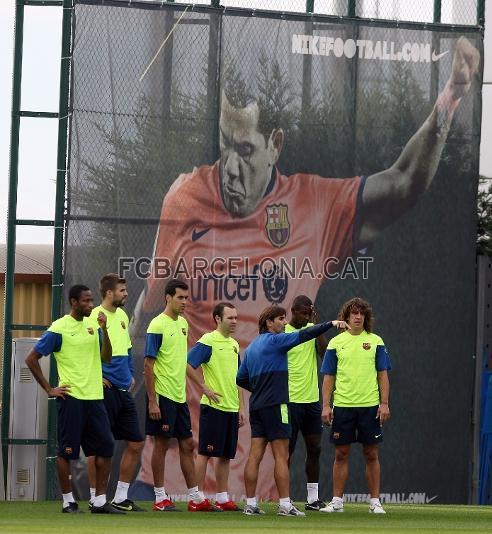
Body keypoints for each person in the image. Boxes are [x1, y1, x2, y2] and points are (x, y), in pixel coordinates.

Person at [132, 36, 479, 499]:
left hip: (262, 430)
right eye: (224, 147)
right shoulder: (186, 196)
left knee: (292, 454)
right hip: (180, 469)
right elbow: (146, 317)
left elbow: (402, 181)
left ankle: (286, 501)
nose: (230, 168)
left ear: (275, 144)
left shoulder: (316, 204)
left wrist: (451, 94)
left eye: (246, 150)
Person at [236, 305, 348, 516]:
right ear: (269, 323)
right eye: (280, 319)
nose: (284, 323)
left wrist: (259, 388)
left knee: (255, 455)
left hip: (257, 406)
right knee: (281, 455)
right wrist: (330, 324)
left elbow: (240, 378)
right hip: (277, 405)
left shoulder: (251, 348)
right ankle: (285, 505)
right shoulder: (276, 341)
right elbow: (305, 334)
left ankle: (250, 504)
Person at [25, 285, 123, 514]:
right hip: (71, 399)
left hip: (95, 398)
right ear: (73, 302)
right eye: (86, 301)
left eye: (91, 301)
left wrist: (104, 330)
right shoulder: (59, 328)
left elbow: (106, 357)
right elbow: (31, 358)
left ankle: (99, 501)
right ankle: (67, 501)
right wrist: (49, 388)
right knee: (66, 452)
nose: (91, 305)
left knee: (106, 447)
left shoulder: (93, 325)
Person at [144, 279, 217, 512]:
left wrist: (202, 386)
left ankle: (195, 498)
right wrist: (152, 401)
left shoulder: (183, 324)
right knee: (162, 445)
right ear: (168, 297)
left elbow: (183, 361)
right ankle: (159, 498)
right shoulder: (157, 325)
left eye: (186, 298)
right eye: (180, 298)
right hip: (163, 395)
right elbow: (148, 364)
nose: (184, 302)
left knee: (187, 444)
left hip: (179, 396)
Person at [319, 297, 391, 514]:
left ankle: (375, 502)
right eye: (354, 313)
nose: (358, 317)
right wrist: (326, 406)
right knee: (341, 454)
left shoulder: (376, 341)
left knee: (371, 454)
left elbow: (383, 375)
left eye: (362, 313)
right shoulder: (335, 343)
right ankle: (337, 502)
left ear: (366, 317)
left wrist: (384, 403)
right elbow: (328, 377)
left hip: (370, 407)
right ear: (346, 316)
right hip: (343, 407)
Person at [87, 274, 145, 512]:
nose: (127, 293)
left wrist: (131, 373)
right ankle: (94, 497)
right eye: (122, 290)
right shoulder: (92, 317)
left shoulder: (121, 315)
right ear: (109, 293)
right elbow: (84, 352)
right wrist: (96, 377)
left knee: (136, 443)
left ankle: (120, 497)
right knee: (101, 445)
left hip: (124, 390)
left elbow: (128, 348)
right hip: (104, 390)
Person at [187, 302, 246, 511]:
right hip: (213, 408)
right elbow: (188, 364)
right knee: (205, 452)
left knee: (225, 455)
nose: (234, 322)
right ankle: (196, 498)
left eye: (236, 318)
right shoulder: (208, 340)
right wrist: (204, 387)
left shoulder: (234, 344)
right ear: (218, 319)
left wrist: (241, 407)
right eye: (230, 318)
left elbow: (238, 379)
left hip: (231, 408)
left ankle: (222, 498)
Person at [285, 295, 327, 511]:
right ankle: (286, 498)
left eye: (309, 314)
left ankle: (312, 499)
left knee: (315, 449)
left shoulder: (312, 330)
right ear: (293, 311)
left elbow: (323, 353)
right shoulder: (283, 332)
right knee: (287, 451)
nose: (306, 317)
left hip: (311, 401)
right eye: (304, 314)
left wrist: (316, 324)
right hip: (290, 401)